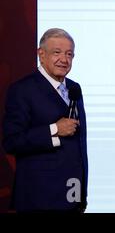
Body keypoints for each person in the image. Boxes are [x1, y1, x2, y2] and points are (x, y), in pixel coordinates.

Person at [2, 28, 88, 212]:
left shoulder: (74, 88)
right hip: (38, 199)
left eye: (69, 54)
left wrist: (81, 194)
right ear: (41, 54)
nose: (64, 60)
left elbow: (78, 146)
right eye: (57, 52)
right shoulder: (22, 90)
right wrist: (54, 130)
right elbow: (12, 142)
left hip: (72, 195)